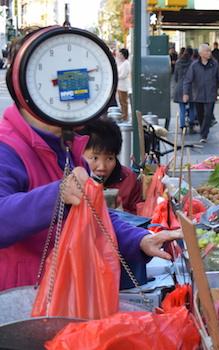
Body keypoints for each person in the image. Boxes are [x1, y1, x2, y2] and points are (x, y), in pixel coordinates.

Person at [0, 31, 181, 292]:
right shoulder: (7, 147)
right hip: (21, 301)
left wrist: (141, 239)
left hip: (68, 292)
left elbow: (95, 214)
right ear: (26, 85)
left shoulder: (71, 147)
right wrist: (57, 194)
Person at [79, 117, 143, 214]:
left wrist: (121, 213)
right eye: (94, 158)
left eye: (109, 158)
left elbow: (139, 217)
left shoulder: (129, 180)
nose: (102, 167)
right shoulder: (71, 181)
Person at [183, 43, 219, 143]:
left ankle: (204, 134)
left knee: (208, 114)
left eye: (209, 51)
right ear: (201, 53)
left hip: (211, 93)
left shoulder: (214, 64)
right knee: (201, 115)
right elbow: (188, 80)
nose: (209, 53)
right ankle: (203, 130)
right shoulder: (194, 65)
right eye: (207, 51)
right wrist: (185, 93)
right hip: (198, 94)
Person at [173, 47, 196, 132]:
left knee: (182, 108)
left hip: (180, 87)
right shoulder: (193, 63)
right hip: (190, 87)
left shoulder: (178, 63)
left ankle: (182, 125)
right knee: (192, 107)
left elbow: (175, 77)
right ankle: (191, 123)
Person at [116, 48, 131, 121]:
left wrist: (116, 77)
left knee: (124, 102)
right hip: (120, 85)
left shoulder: (126, 63)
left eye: (120, 54)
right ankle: (124, 115)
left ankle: (125, 116)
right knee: (121, 101)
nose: (119, 55)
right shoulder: (122, 63)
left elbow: (124, 75)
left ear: (123, 55)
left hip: (123, 86)